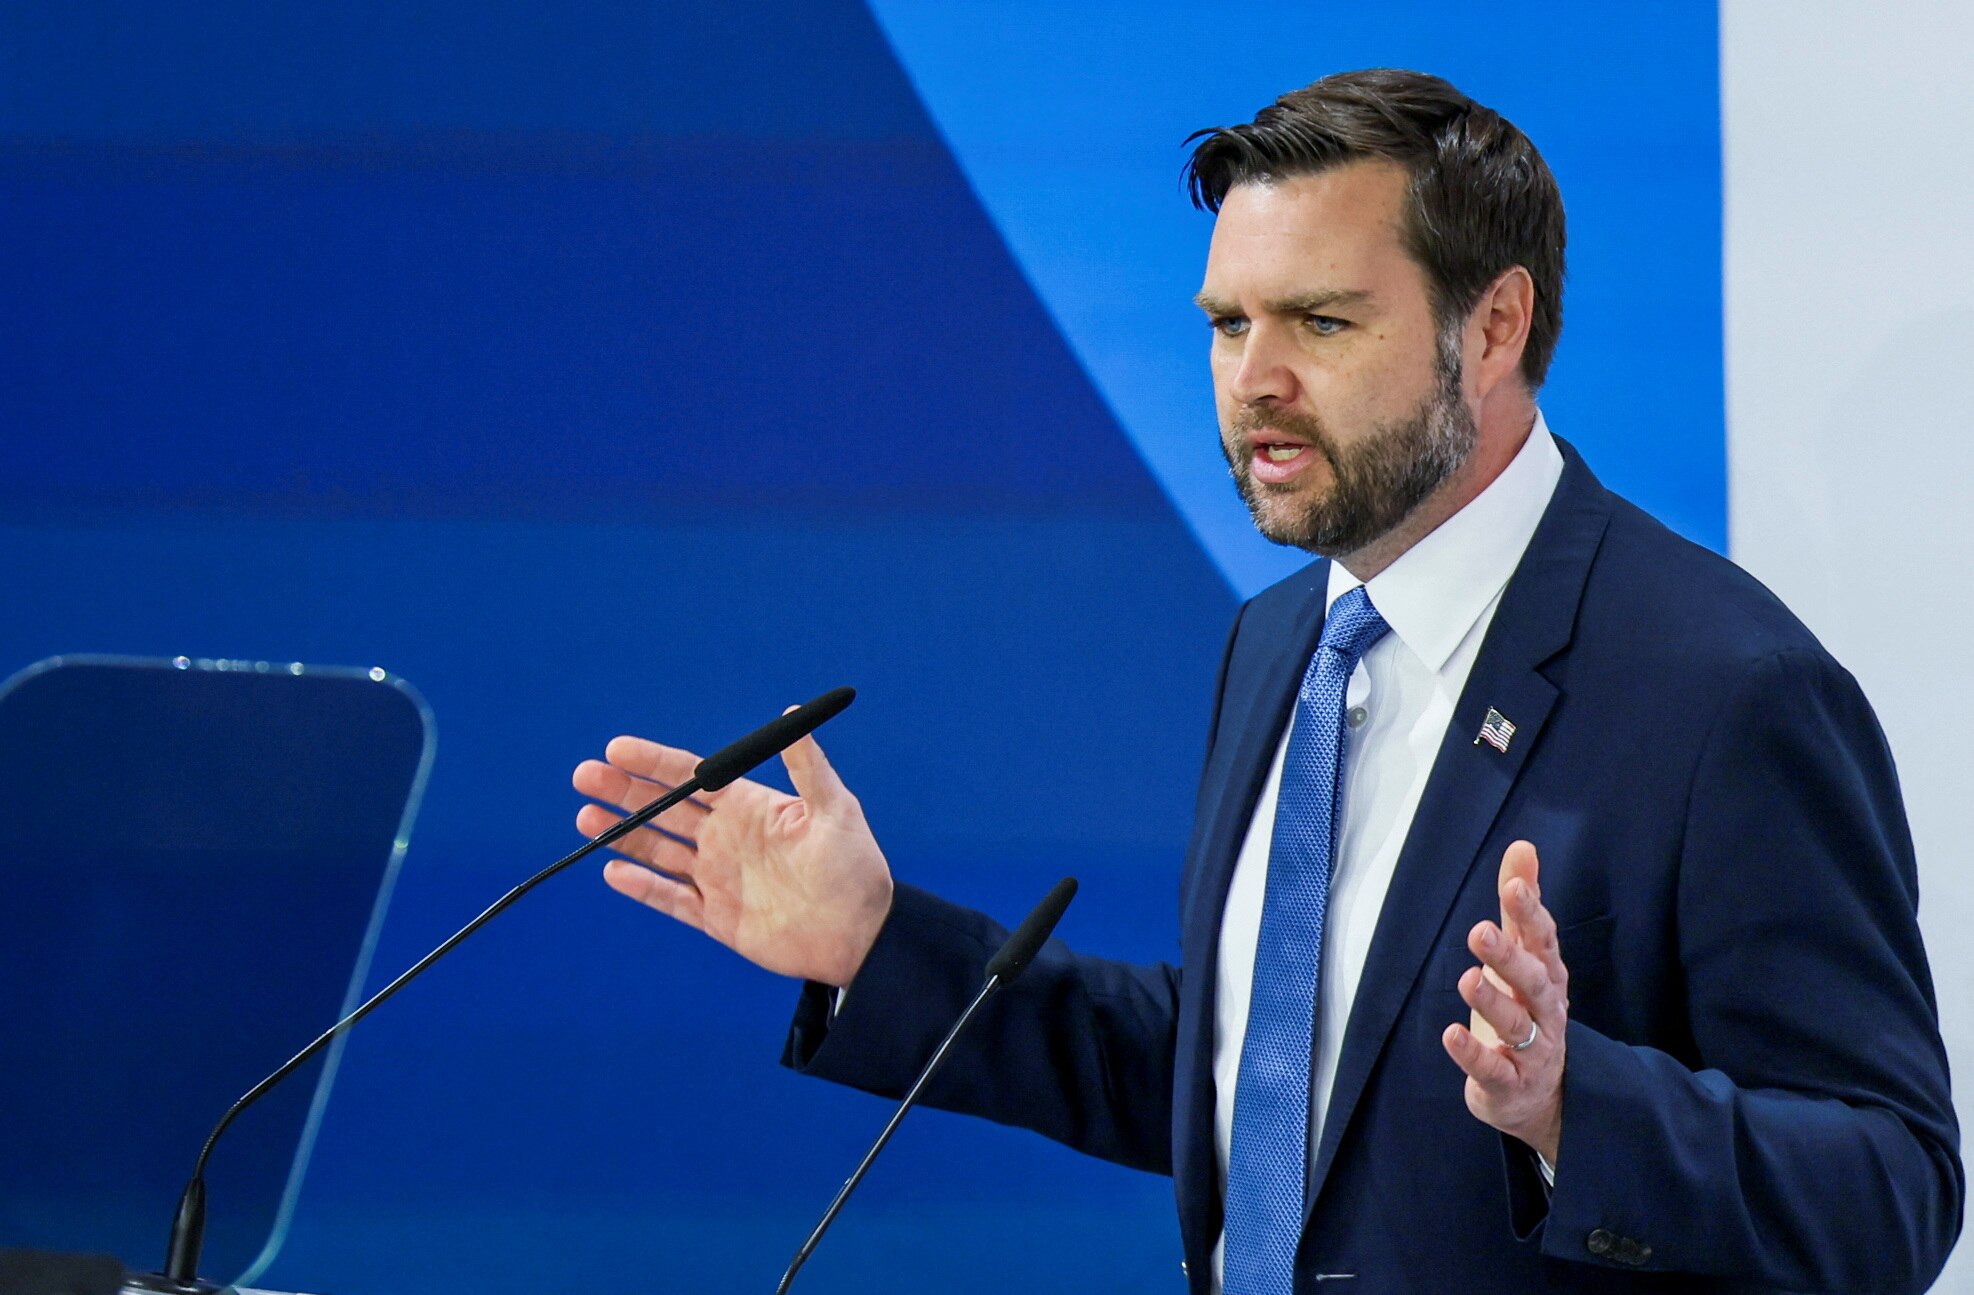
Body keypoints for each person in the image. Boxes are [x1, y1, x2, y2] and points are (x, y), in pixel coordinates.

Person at [571, 69, 1962, 1293]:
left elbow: (1893, 1190)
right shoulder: (1282, 638)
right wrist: (881, 950)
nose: (1254, 382)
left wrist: (1567, 1107)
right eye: (1228, 325)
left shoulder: (1726, 687)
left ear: (1491, 328)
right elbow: (1257, 1072)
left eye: (1321, 323)